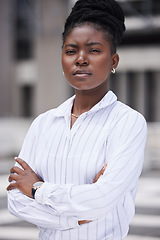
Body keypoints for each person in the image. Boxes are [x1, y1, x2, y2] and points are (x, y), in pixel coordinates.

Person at [7, 0, 147, 239]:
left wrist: (37, 188)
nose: (81, 59)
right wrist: (77, 216)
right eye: (71, 51)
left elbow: (102, 199)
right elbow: (16, 201)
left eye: (94, 50)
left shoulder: (128, 123)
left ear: (113, 61)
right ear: (62, 59)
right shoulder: (43, 124)